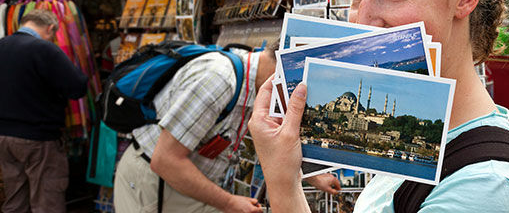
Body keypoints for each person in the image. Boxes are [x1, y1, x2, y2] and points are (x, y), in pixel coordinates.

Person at [248, 0, 509, 212]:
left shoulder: (486, 186)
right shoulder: (421, 143)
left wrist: (282, 187)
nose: (364, 18)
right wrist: (285, 177)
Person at [113, 40, 340, 213]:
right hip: (156, 184)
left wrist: (312, 176)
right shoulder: (218, 80)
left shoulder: (252, 78)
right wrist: (230, 202)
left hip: (184, 183)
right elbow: (165, 160)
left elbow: (267, 140)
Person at [0, 9, 89, 213]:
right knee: (47, 201)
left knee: (15, 200)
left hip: (4, 137)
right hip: (38, 138)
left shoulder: (1, 45)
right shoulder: (44, 49)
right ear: (50, 28)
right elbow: (77, 87)